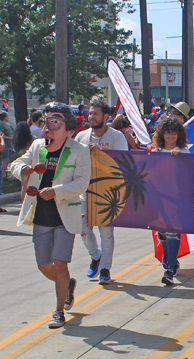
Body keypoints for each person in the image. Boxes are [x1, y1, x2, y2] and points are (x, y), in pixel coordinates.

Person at [10, 102, 91, 328]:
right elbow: (16, 163)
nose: (47, 127)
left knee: (60, 262)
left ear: (69, 130)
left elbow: (82, 183)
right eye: (45, 121)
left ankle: (58, 311)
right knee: (44, 265)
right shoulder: (37, 146)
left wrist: (56, 191)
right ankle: (66, 285)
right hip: (41, 216)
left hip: (65, 216)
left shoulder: (79, 150)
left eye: (54, 122)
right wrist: (23, 170)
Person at [75, 100, 128, 284]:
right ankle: (95, 256)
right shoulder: (81, 136)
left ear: (106, 116)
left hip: (107, 193)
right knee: (82, 228)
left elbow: (123, 162)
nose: (92, 116)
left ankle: (105, 268)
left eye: (96, 113)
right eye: (90, 113)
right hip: (84, 190)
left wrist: (101, 153)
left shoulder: (116, 137)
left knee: (106, 232)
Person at [153, 117, 191, 285]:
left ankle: (168, 269)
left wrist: (179, 159)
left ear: (178, 135)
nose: (170, 136)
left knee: (173, 232)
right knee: (162, 233)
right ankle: (172, 262)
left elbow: (189, 174)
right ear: (162, 134)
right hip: (158, 199)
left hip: (177, 199)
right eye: (167, 133)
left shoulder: (184, 152)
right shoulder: (154, 153)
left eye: (173, 133)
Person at [13, 122, 34, 202]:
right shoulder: (31, 139)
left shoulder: (16, 141)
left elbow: (16, 151)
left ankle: (23, 206)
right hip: (30, 162)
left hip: (21, 164)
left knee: (24, 187)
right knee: (31, 185)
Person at [0, 112, 14, 181]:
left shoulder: (8, 125)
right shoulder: (1, 125)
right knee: (6, 160)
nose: (8, 117)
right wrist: (10, 138)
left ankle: (3, 175)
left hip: (9, 145)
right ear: (4, 117)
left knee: (6, 160)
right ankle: (2, 176)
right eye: (7, 116)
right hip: (4, 145)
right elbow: (2, 136)